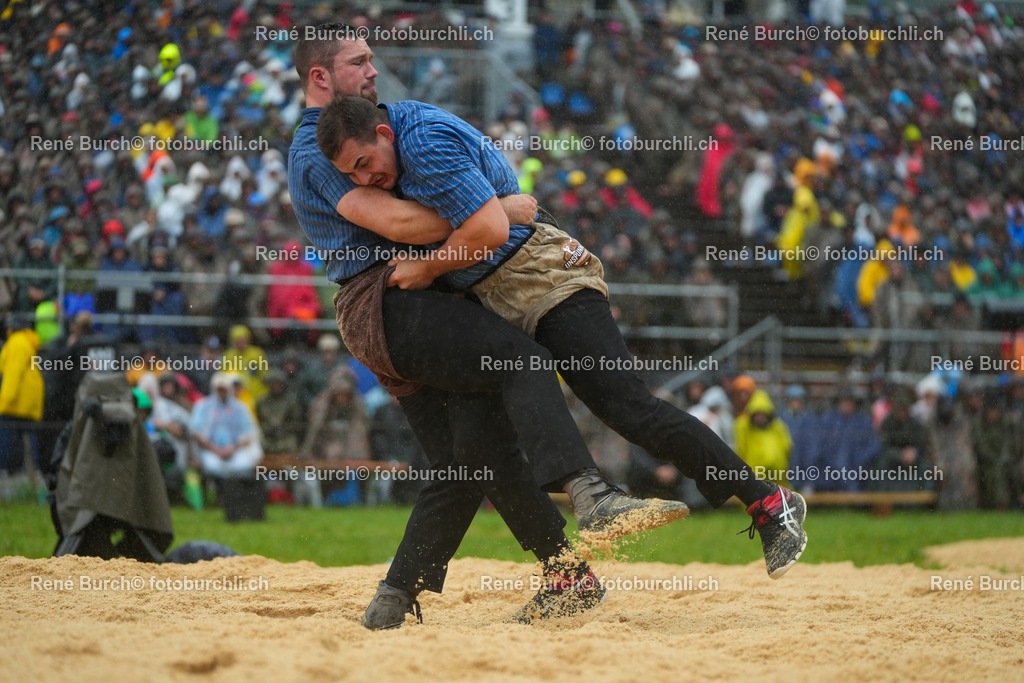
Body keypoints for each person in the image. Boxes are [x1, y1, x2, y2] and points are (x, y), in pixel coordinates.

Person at [317, 93, 809, 578]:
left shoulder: (422, 143)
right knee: (484, 445)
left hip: (543, 276)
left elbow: (486, 231)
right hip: (499, 293)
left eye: (365, 163)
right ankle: (566, 572)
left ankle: (768, 502)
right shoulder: (398, 145)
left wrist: (429, 265)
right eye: (352, 175)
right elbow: (482, 216)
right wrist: (503, 208)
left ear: (383, 133)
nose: (365, 179)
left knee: (629, 408)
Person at [289, 24, 679, 629]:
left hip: (415, 302)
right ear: (321, 77)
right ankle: (588, 493)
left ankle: (421, 594)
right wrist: (490, 211)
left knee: (468, 460)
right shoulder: (322, 145)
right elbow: (403, 227)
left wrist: (479, 214)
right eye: (358, 61)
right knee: (519, 361)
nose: (373, 70)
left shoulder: (369, 129)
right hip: (388, 300)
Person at [189, 372, 263, 478]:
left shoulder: (240, 407)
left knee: (243, 466)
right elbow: (195, 432)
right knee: (213, 467)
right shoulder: (203, 406)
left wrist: (232, 448)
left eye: (224, 388)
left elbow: (248, 433)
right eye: (219, 389)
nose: (222, 392)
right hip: (210, 450)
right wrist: (214, 449)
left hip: (235, 450)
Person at [0, 313, 44, 489]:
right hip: (29, 401)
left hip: (16, 402)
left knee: (4, 434)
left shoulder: (16, 343)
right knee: (28, 437)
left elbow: (12, 376)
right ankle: (32, 477)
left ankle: (2, 475)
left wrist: (2, 404)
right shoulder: (27, 342)